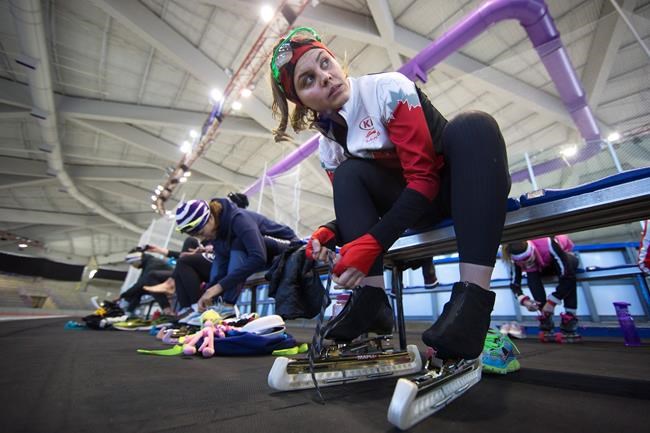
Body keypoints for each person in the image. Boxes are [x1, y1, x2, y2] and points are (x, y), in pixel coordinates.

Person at [269, 27, 511, 359]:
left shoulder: (388, 89)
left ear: (336, 61)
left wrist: (373, 243)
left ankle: (472, 302)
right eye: (307, 80)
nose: (324, 77)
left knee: (473, 125)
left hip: (461, 189)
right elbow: (364, 208)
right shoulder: (329, 147)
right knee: (349, 174)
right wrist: (331, 232)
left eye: (325, 63)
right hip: (414, 208)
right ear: (299, 100)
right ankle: (372, 302)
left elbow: (424, 179)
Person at [175, 198, 300, 316]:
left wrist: (219, 287)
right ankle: (218, 306)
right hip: (264, 253)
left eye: (201, 233)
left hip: (288, 247)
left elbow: (258, 257)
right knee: (225, 253)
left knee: (238, 242)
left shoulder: (239, 219)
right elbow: (220, 266)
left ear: (210, 218)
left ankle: (228, 305)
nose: (201, 239)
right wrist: (208, 294)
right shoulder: (217, 231)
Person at [502, 235, 580, 336]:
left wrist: (551, 302)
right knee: (531, 274)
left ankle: (570, 317)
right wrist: (524, 301)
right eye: (524, 262)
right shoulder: (514, 259)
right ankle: (545, 315)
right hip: (541, 267)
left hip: (562, 258)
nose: (528, 262)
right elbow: (514, 284)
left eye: (528, 259)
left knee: (569, 273)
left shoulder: (547, 242)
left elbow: (567, 275)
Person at [118, 247, 174, 317]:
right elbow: (139, 284)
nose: (133, 266)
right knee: (138, 291)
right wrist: (126, 296)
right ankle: (128, 313)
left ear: (137, 259)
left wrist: (123, 295)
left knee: (147, 281)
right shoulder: (148, 263)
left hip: (172, 282)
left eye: (132, 263)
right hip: (162, 282)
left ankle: (166, 309)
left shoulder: (153, 264)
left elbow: (140, 283)